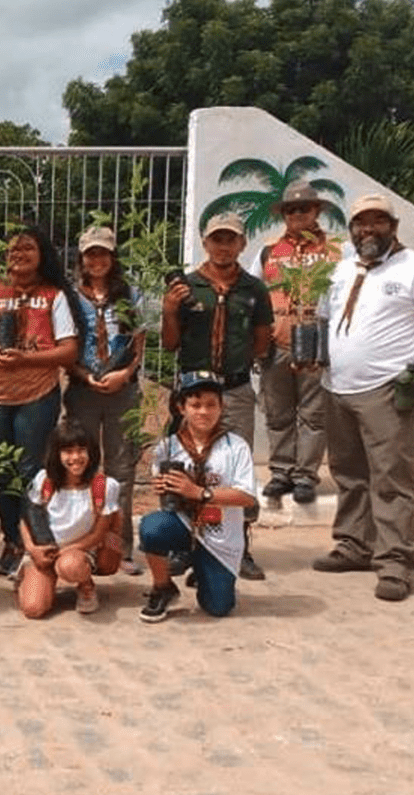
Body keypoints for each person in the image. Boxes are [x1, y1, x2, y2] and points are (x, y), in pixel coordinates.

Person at [312, 194, 414, 602]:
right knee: (349, 473)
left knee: (392, 478)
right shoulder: (342, 269)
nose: (369, 229)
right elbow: (324, 319)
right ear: (351, 229)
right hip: (337, 387)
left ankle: (397, 562)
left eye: (378, 221)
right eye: (361, 222)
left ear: (393, 227)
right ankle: (354, 545)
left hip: (386, 390)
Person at [0, 224, 80, 577]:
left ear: (42, 255)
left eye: (28, 248)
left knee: (30, 472)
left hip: (37, 395)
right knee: (3, 472)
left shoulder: (53, 296)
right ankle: (11, 541)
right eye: (13, 249)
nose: (19, 254)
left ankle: (34, 541)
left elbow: (69, 350)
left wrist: (27, 359)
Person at [161, 212, 273, 580]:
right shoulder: (188, 286)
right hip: (193, 390)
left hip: (234, 388)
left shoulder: (254, 289)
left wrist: (237, 363)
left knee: (235, 465)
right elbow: (170, 342)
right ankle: (182, 543)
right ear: (205, 243)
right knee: (186, 461)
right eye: (216, 239)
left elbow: (262, 339)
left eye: (230, 239)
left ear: (242, 244)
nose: (223, 246)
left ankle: (239, 545)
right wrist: (169, 309)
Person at [138, 371, 259, 623]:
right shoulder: (168, 447)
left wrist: (198, 492)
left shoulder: (236, 446)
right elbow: (162, 491)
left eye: (211, 405)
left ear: (222, 407)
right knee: (151, 527)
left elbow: (247, 497)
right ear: (181, 408)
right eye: (195, 405)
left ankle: (203, 568)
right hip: (184, 524)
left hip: (220, 534)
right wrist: (162, 486)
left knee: (218, 607)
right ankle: (163, 587)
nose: (203, 412)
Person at [249, 181, 341, 505]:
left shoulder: (336, 251)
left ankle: (305, 476)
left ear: (316, 211)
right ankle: (281, 472)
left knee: (314, 415)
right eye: (291, 209)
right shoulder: (269, 252)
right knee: (278, 413)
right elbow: (253, 293)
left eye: (304, 208)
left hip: (317, 344)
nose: (297, 214)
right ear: (284, 215)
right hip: (278, 343)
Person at [64, 226, 145, 575]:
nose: (97, 260)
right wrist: (86, 376)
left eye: (103, 253)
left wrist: (124, 375)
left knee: (120, 469)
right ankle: (82, 543)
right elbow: (64, 344)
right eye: (90, 254)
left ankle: (119, 548)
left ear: (113, 257)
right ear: (82, 258)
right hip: (82, 388)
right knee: (80, 464)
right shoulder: (70, 297)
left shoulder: (130, 294)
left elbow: (139, 343)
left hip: (122, 389)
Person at [16, 421, 120, 619]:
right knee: (33, 608)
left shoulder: (103, 486)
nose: (75, 457)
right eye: (68, 451)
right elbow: (26, 519)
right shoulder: (44, 480)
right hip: (44, 549)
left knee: (69, 566)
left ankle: (85, 584)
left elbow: (99, 534)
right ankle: (33, 578)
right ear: (57, 454)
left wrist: (63, 552)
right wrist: (32, 549)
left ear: (91, 452)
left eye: (81, 450)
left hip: (79, 551)